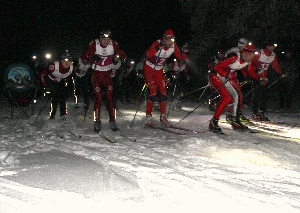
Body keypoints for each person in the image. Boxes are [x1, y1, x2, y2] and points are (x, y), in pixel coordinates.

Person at [81, 29, 126, 132]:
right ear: (99, 39)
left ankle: (112, 120)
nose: (106, 42)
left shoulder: (113, 44)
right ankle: (97, 121)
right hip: (96, 74)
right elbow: (84, 57)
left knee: (110, 98)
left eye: (108, 39)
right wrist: (92, 57)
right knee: (99, 97)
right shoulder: (94, 43)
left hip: (107, 74)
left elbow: (120, 52)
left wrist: (122, 57)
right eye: (103, 40)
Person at [208, 43, 257, 133]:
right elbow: (217, 67)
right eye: (251, 54)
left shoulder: (248, 60)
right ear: (244, 53)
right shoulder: (234, 56)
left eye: (253, 54)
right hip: (216, 75)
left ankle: (235, 120)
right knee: (226, 97)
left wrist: (254, 78)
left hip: (225, 77)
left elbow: (247, 70)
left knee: (237, 95)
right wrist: (226, 74)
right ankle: (213, 122)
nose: (252, 57)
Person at [143, 29, 187, 127]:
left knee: (164, 93)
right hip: (149, 68)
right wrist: (158, 48)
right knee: (153, 92)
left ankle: (163, 117)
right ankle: (148, 117)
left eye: (173, 40)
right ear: (164, 38)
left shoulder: (173, 46)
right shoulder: (157, 43)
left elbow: (181, 59)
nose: (171, 42)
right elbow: (146, 56)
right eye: (169, 40)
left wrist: (184, 53)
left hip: (158, 70)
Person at [246, 41, 283, 121]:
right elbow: (251, 65)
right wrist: (255, 76)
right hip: (255, 76)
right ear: (267, 46)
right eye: (271, 46)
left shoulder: (273, 55)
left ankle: (261, 112)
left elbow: (275, 66)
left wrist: (281, 73)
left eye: (274, 46)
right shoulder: (260, 53)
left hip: (264, 78)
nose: (273, 48)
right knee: (256, 95)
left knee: (264, 95)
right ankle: (254, 112)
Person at [39, 50, 76, 120]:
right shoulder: (53, 66)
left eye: (69, 61)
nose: (67, 63)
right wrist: (45, 85)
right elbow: (42, 74)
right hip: (51, 80)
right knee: (55, 97)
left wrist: (66, 82)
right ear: (61, 61)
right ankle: (52, 114)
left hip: (60, 81)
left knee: (63, 98)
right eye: (65, 60)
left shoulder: (71, 68)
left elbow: (69, 76)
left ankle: (63, 114)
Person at [224, 38, 250, 121]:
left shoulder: (243, 53)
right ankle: (230, 113)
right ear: (240, 45)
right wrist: (226, 74)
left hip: (233, 74)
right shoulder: (232, 52)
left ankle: (237, 112)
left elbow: (241, 66)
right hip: (227, 74)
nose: (245, 49)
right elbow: (224, 63)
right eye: (244, 46)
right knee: (233, 94)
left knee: (239, 94)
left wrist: (247, 76)